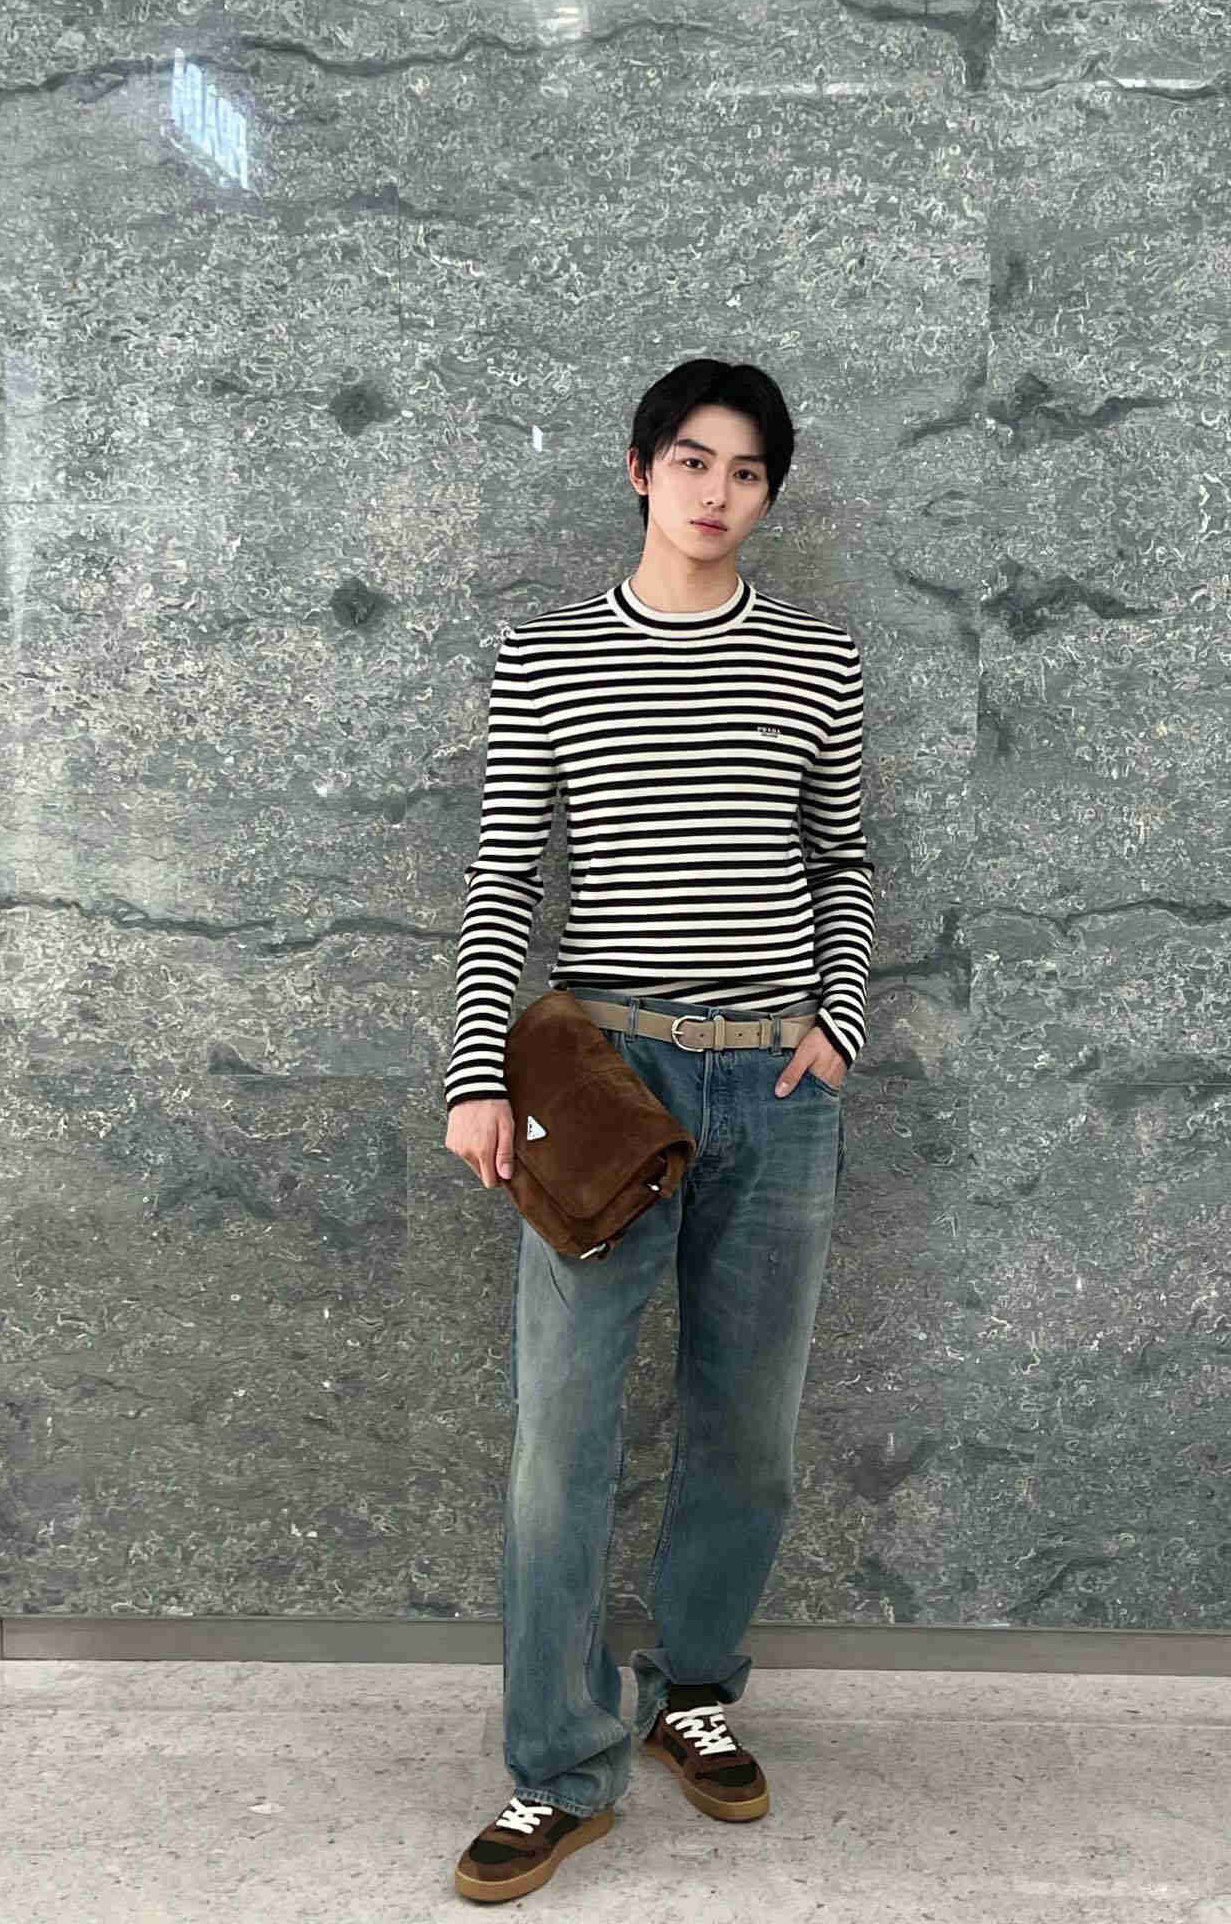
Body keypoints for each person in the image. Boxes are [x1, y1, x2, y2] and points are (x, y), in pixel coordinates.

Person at [443, 358, 876, 1902]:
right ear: (640, 469)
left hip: (776, 1089)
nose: (716, 492)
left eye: (747, 472)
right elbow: (506, 877)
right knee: (559, 1441)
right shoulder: (549, 652)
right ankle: (560, 1766)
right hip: (603, 1089)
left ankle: (692, 1689)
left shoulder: (817, 657)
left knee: (747, 1427)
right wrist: (477, 1074)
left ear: (768, 495)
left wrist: (837, 1024)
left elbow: (845, 859)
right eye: (692, 460)